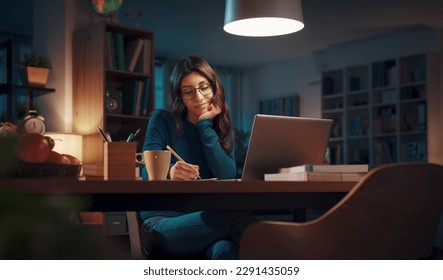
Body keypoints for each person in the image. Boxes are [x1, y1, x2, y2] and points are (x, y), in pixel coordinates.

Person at [138, 56, 256, 259]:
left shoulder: (220, 129)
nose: (199, 97)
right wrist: (169, 172)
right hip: (162, 224)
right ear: (179, 96)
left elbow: (226, 175)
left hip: (207, 225)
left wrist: (204, 125)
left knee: (225, 251)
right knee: (235, 217)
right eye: (188, 91)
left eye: (204, 87)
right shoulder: (162, 120)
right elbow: (145, 170)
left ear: (214, 87)